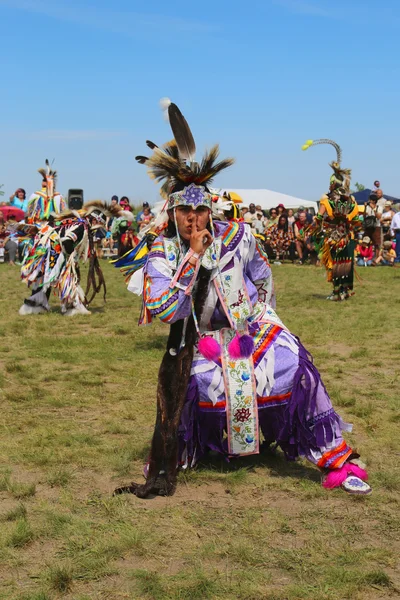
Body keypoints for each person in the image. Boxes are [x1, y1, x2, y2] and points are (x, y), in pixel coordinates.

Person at [114, 100, 371, 498]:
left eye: (200, 209)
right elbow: (167, 308)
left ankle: (335, 460)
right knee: (196, 385)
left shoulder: (239, 236)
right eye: (184, 210)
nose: (193, 219)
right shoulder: (162, 255)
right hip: (196, 342)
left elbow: (262, 275)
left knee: (294, 363)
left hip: (250, 327)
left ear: (209, 208)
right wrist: (194, 257)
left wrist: (264, 317)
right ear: (172, 212)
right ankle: (197, 450)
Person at [19, 201, 133, 315]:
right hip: (54, 250)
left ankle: (35, 305)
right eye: (99, 225)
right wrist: (71, 258)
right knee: (71, 277)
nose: (97, 229)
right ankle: (72, 307)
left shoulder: (76, 221)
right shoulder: (82, 226)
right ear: (95, 221)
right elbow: (67, 241)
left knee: (46, 277)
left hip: (44, 247)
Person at [302, 138, 362, 300]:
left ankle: (336, 292)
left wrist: (317, 224)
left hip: (333, 238)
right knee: (346, 264)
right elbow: (357, 221)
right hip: (348, 237)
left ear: (333, 185)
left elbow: (319, 218)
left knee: (335, 264)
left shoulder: (326, 200)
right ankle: (345, 291)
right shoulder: (351, 201)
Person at [26, 160, 66, 224]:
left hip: (54, 224)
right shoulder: (36, 195)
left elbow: (63, 212)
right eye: (45, 181)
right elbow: (29, 211)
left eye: (47, 181)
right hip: (39, 224)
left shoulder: (58, 196)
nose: (46, 182)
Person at [364, 194, 382, 259]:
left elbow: (379, 217)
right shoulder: (367, 207)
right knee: (366, 241)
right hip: (368, 227)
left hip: (376, 227)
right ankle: (367, 257)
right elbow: (364, 216)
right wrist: (365, 207)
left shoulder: (379, 207)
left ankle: (376, 258)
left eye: (370, 200)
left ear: (374, 201)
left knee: (377, 243)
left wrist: (373, 208)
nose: (369, 201)